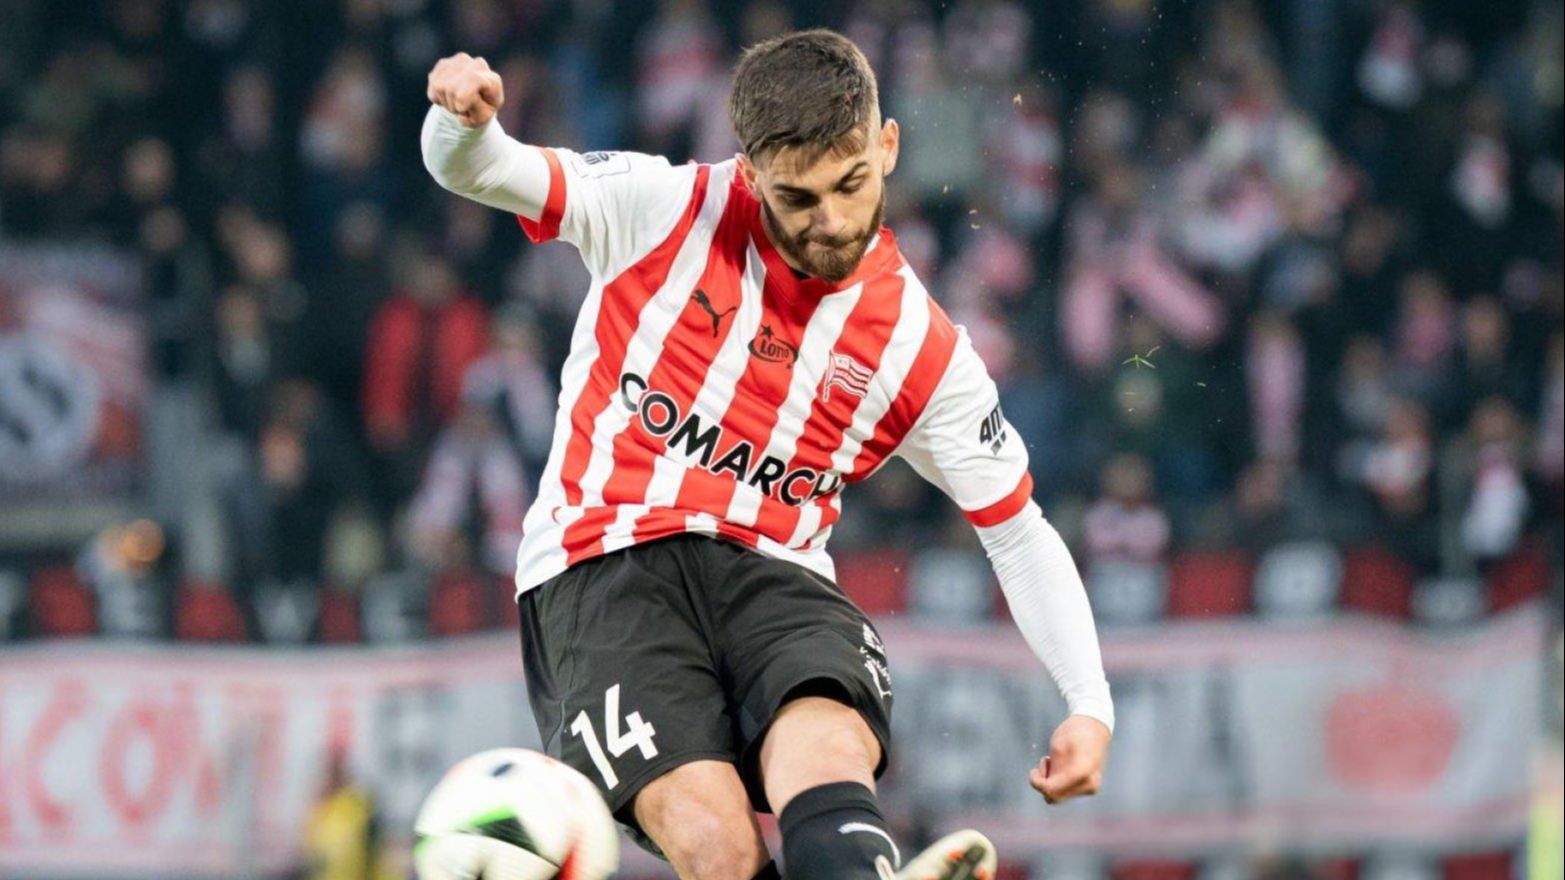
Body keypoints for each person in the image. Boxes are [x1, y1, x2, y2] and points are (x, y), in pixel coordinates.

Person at [422, 29, 1114, 880]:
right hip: (601, 565)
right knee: (715, 842)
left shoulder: (922, 353)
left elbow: (1016, 531)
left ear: (887, 146)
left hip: (775, 573)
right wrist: (460, 119)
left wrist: (1089, 704)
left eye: (850, 184)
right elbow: (479, 168)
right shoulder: (659, 208)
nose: (831, 222)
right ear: (749, 174)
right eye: (797, 197)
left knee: (827, 751)